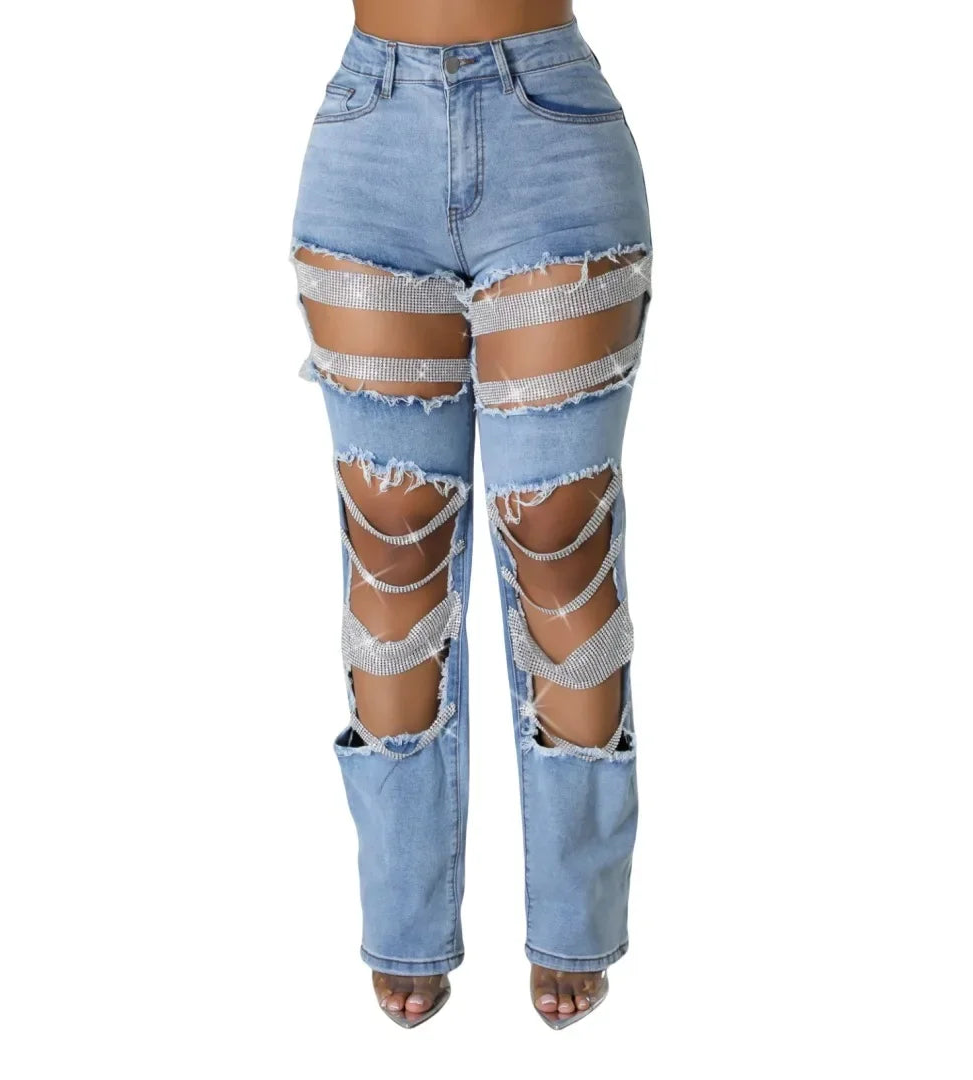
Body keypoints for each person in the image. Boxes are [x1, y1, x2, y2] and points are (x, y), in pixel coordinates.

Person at [290, 0, 651, 1029]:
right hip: (370, 140)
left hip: (554, 139)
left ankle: (575, 915)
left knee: (560, 542)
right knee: (392, 552)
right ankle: (404, 917)